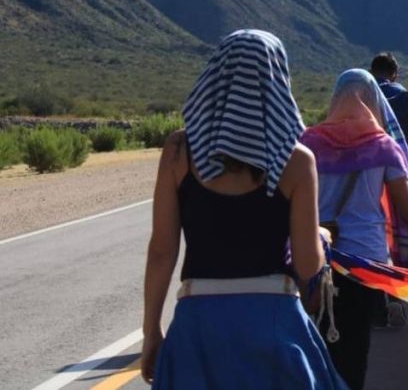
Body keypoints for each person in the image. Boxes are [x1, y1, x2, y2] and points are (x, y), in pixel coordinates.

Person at [141, 30, 345, 389]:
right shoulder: (297, 161)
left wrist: (151, 332)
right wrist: (320, 239)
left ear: (215, 75)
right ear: (278, 80)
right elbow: (307, 264)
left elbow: (161, 252)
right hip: (274, 322)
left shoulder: (178, 151)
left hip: (197, 326)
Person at [300, 69, 408, 390]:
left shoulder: (309, 142)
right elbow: (406, 206)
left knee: (317, 340)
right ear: (374, 102)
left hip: (315, 256)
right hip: (365, 262)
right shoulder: (383, 147)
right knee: (354, 345)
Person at [370, 52, 408, 184]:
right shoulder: (404, 98)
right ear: (395, 74)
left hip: (367, 169)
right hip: (402, 171)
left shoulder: (356, 97)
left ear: (371, 72)